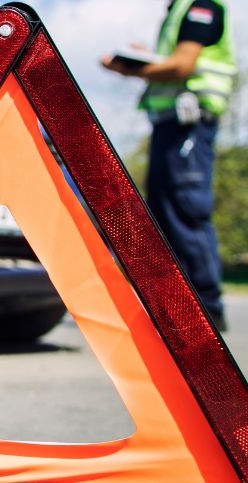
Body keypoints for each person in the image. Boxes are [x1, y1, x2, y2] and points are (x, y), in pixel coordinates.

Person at [102, 0, 236, 332]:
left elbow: (182, 66)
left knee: (186, 210)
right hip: (171, 124)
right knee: (165, 212)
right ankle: (179, 307)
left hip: (188, 125)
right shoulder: (178, 10)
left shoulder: (200, 6)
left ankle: (206, 309)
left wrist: (131, 68)